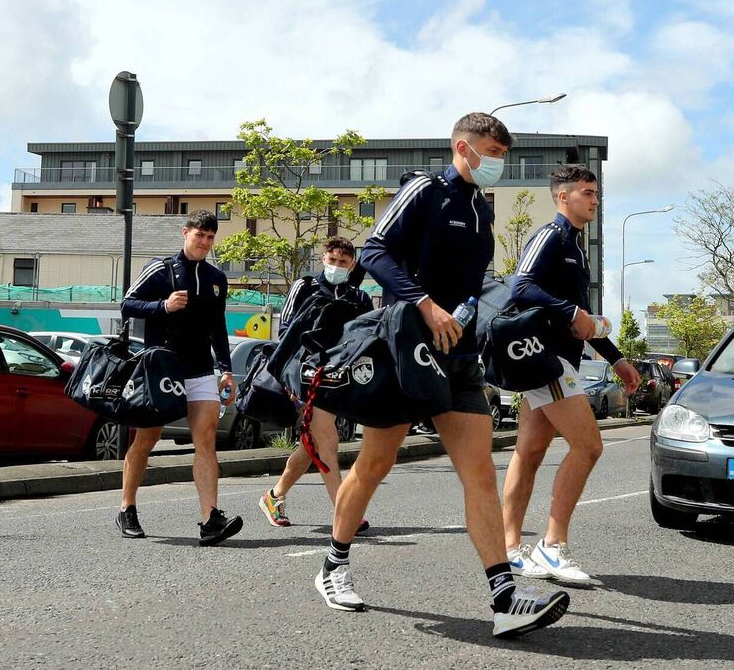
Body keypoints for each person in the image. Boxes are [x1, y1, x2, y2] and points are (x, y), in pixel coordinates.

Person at [313, 112, 570, 639]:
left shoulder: (481, 208)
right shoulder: (426, 190)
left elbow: (473, 282)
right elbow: (374, 251)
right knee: (375, 463)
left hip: (459, 354)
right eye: (491, 153)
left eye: (503, 155)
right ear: (462, 147)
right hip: (407, 346)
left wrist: (482, 314)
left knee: (480, 473)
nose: (498, 163)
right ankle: (333, 565)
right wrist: (425, 305)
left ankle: (504, 598)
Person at [500, 165, 639, 586]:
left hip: (560, 358)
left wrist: (616, 358)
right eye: (586, 192)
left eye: (596, 193)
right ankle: (552, 544)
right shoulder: (551, 236)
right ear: (563, 197)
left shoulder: (577, 248)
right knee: (589, 446)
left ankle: (508, 549)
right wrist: (569, 311)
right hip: (546, 360)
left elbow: (583, 319)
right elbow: (520, 286)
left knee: (528, 452)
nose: (595, 200)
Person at [116, 210, 243, 546]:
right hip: (163, 370)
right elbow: (127, 304)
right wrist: (163, 306)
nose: (204, 242)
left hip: (200, 370)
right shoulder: (161, 269)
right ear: (185, 233)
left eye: (210, 237)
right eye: (199, 235)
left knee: (206, 439)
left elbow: (218, 327)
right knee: (147, 439)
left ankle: (210, 519)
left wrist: (226, 370)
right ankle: (127, 507)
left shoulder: (217, 278)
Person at [258, 237, 373, 533]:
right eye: (332, 260)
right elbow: (285, 332)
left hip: (337, 380)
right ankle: (345, 512)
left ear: (352, 265)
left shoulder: (359, 298)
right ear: (323, 259)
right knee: (327, 441)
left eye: (343, 262)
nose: (337, 266)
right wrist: (288, 378)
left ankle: (274, 496)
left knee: (312, 445)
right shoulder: (304, 287)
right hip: (305, 377)